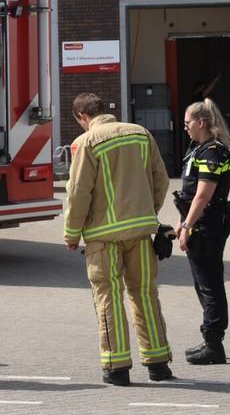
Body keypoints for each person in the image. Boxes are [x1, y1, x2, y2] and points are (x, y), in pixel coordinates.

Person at [63, 93, 174, 386]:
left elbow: (78, 192)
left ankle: (117, 367)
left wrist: (72, 233)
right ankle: (158, 364)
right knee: (145, 295)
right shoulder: (140, 134)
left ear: (82, 118)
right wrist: (148, 212)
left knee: (108, 297)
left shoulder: (88, 142)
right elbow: (161, 179)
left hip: (104, 237)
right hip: (140, 232)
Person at [177, 97, 230, 365]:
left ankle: (214, 344)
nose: (185, 127)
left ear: (201, 122)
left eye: (188, 122)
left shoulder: (212, 151)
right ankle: (211, 339)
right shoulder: (201, 149)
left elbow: (202, 195)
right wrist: (183, 220)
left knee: (209, 284)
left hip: (207, 226)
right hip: (201, 222)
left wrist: (187, 225)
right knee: (204, 283)